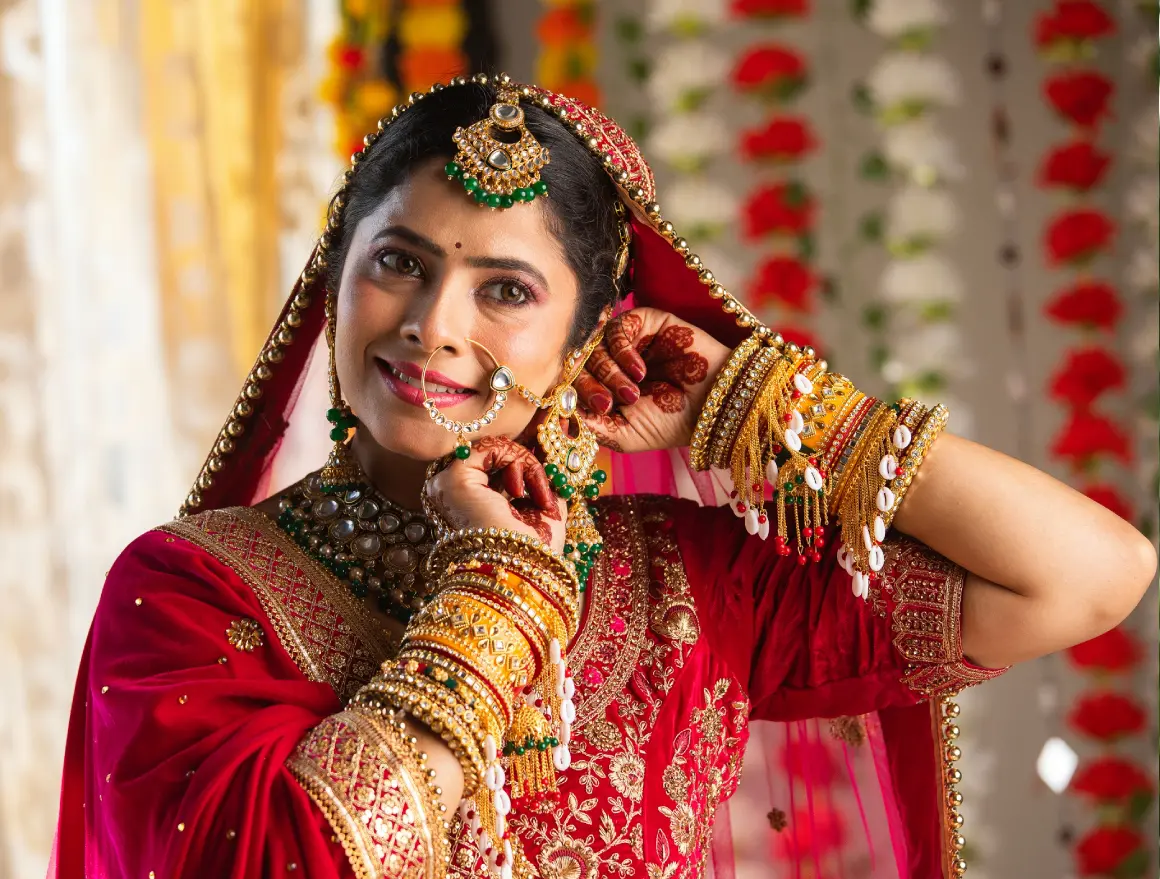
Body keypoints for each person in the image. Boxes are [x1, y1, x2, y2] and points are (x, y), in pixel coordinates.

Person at [51, 75, 1154, 879]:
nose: (433, 328)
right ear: (333, 280)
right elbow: (285, 863)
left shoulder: (685, 588)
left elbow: (1084, 577)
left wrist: (762, 403)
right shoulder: (194, 595)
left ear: (587, 334)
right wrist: (496, 596)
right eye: (398, 263)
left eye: (505, 291)